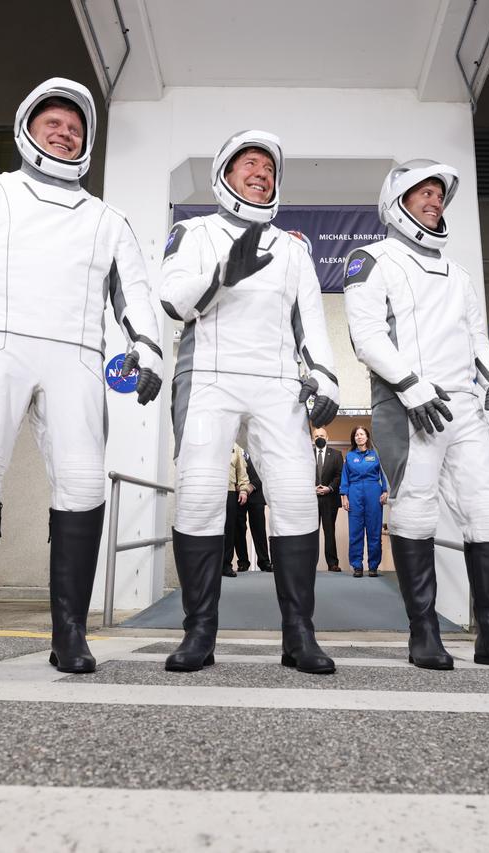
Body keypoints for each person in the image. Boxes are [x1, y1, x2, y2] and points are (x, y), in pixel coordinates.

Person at [0, 78, 163, 676]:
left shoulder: (108, 219)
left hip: (77, 359)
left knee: (83, 485)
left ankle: (70, 633)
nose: (64, 133)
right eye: (53, 123)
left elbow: (135, 291)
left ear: (87, 142)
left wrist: (148, 348)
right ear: (27, 128)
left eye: (75, 128)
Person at [344, 159, 489, 672]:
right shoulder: (371, 259)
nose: (434, 201)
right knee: (415, 509)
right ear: (397, 201)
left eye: (439, 194)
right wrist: (410, 386)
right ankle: (424, 633)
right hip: (408, 405)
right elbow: (366, 337)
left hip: (465, 407)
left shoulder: (458, 274)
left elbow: (477, 340)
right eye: (424, 192)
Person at [160, 129, 340, 675]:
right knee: (198, 496)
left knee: (296, 499)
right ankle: (199, 632)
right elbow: (172, 300)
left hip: (277, 382)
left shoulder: (293, 248)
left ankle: (299, 634)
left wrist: (326, 378)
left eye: (269, 168)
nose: (261, 173)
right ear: (225, 174)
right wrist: (222, 275)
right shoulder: (192, 231)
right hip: (208, 377)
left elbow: (311, 322)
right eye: (250, 164)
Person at [340, 425, 388, 578]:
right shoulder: (349, 456)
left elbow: (384, 474)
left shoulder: (376, 455)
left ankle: (373, 566)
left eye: (361, 434)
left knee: (374, 531)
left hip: (373, 491)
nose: (359, 437)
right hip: (354, 492)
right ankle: (357, 566)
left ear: (367, 437)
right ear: (354, 439)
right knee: (355, 532)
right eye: (356, 435)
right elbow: (344, 477)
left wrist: (385, 490)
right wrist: (344, 496)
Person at [234, 449, 272, 572]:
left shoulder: (259, 448)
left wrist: (252, 486)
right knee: (239, 530)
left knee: (259, 529)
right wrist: (238, 486)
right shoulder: (234, 447)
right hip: (238, 494)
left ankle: (264, 561)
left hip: (256, 494)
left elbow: (265, 471)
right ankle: (243, 562)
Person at [313, 426, 343, 572]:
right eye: (316, 436)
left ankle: (332, 563)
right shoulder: (306, 454)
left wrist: (329, 488)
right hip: (311, 500)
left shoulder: (337, 454)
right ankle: (309, 564)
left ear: (327, 438)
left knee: (329, 531)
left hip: (330, 498)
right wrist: (312, 488)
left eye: (322, 436)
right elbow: (303, 473)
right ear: (313, 439)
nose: (319, 438)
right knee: (311, 533)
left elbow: (339, 475)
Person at [222, 444, 250, 578]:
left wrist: (244, 490)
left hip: (230, 491)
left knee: (229, 529)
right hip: (212, 490)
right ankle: (212, 565)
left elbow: (241, 470)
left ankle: (226, 565)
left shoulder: (235, 447)